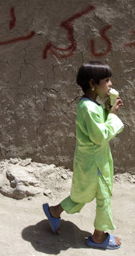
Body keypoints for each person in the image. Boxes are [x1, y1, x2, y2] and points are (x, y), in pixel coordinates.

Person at [43, 61, 125, 250]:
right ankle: (98, 237)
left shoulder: (91, 105)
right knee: (103, 195)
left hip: (92, 159)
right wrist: (112, 115)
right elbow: (99, 136)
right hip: (95, 161)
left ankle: (54, 211)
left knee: (83, 193)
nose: (111, 84)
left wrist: (107, 110)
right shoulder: (87, 108)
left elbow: (96, 128)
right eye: (107, 80)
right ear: (92, 83)